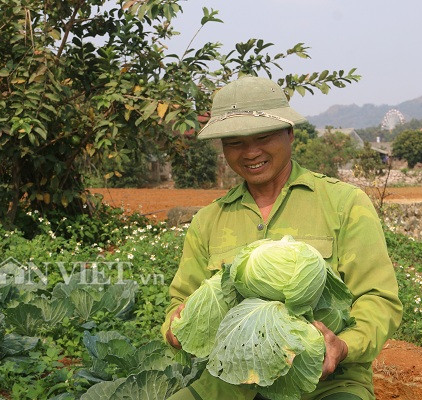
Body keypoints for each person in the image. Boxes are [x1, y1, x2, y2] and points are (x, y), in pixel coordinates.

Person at [162, 75, 402, 400]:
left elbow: (378, 299)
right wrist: (178, 326)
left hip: (326, 383)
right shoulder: (209, 220)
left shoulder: (344, 204)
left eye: (263, 137)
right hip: (231, 383)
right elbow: (180, 300)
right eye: (235, 142)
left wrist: (344, 345)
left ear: (290, 133)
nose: (250, 152)